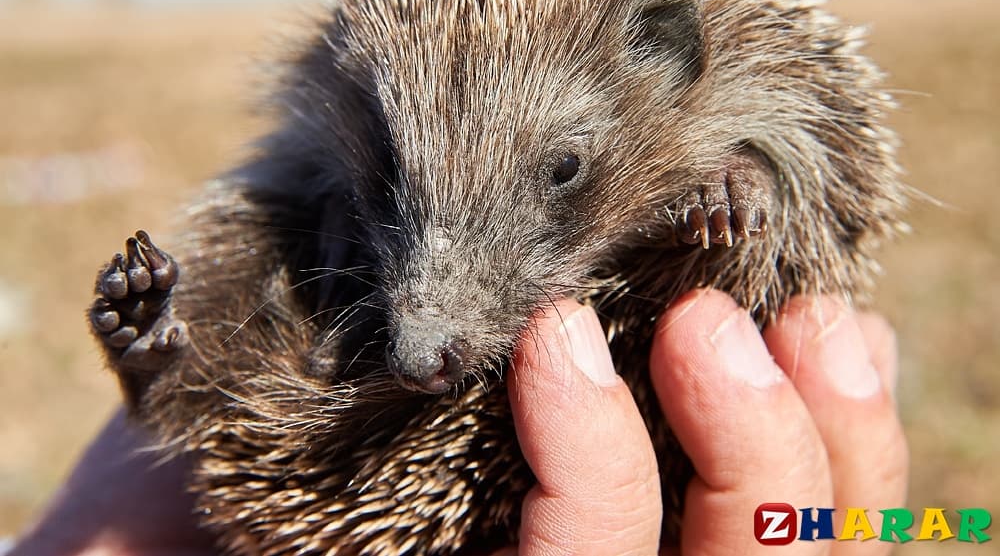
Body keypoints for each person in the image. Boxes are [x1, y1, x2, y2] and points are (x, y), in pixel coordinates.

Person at [10, 288, 907, 555]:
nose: (424, 334)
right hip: (339, 422)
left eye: (560, 167)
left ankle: (179, 388)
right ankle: (178, 386)